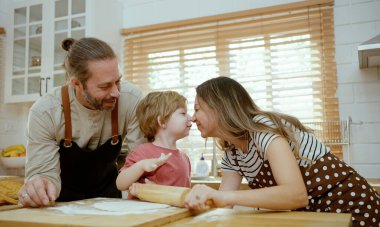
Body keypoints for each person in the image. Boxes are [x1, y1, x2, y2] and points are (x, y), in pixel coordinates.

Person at [185, 76, 380, 227]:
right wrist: (201, 203)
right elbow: (224, 204)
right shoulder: (232, 155)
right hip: (318, 217)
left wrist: (223, 198)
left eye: (197, 109)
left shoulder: (262, 130)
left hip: (352, 207)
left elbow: (295, 195)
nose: (192, 118)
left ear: (220, 108)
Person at [18, 37, 146, 207]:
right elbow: (44, 173)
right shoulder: (45, 112)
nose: (116, 92)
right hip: (61, 205)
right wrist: (39, 186)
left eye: (118, 81)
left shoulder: (132, 100)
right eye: (104, 86)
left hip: (110, 202)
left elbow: (140, 160)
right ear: (76, 84)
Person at [116, 91, 192, 192]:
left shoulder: (184, 158)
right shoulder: (143, 152)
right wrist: (141, 166)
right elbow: (120, 184)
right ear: (162, 121)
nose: (191, 118)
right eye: (183, 113)